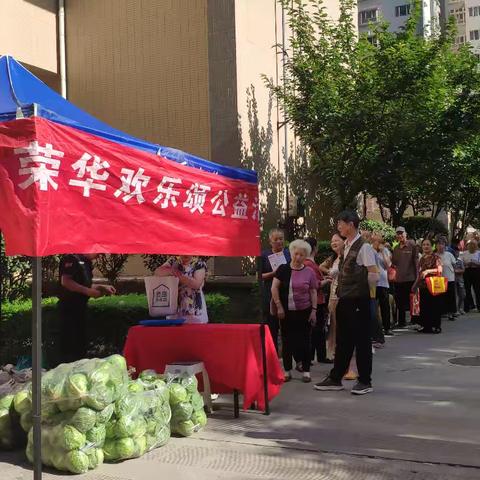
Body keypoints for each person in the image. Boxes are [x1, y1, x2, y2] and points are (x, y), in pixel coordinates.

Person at [315, 211, 379, 395]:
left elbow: (373, 273)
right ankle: (336, 378)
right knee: (343, 341)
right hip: (345, 298)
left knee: (362, 341)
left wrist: (369, 298)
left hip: (359, 300)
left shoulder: (364, 247)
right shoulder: (347, 245)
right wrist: (337, 274)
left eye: (341, 224)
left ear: (351, 224)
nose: (339, 227)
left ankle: (365, 381)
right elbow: (349, 269)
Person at [271, 239, 317, 383]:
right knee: (287, 341)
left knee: (305, 341)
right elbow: (274, 288)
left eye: (301, 255)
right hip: (286, 311)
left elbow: (313, 291)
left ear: (306, 256)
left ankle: (306, 371)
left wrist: (314, 310)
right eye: (296, 254)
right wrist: (279, 306)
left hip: (304, 310)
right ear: (291, 253)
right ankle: (287, 370)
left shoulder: (309, 271)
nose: (298, 257)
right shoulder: (283, 269)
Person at [58, 254, 116, 364]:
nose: (99, 256)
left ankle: (80, 365)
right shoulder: (71, 258)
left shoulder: (87, 263)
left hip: (81, 308)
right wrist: (88, 292)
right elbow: (66, 281)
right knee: (70, 343)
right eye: (98, 252)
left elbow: (85, 283)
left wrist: (102, 287)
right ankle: (68, 367)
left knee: (81, 343)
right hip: (69, 308)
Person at [261, 228, 291, 352]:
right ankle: (273, 352)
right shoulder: (264, 255)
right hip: (270, 293)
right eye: (276, 239)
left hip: (287, 292)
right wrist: (274, 273)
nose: (279, 241)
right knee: (272, 324)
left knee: (288, 325)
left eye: (281, 239)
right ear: (270, 241)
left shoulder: (289, 253)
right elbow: (260, 275)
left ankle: (289, 353)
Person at [155, 256, 208, 323]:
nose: (185, 255)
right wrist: (170, 270)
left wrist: (178, 275)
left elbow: (196, 284)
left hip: (194, 310)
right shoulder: (173, 260)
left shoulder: (199, 264)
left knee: (194, 332)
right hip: (174, 309)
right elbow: (157, 272)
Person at [304, 237, 332, 364]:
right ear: (314, 248)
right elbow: (314, 284)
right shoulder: (309, 264)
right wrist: (325, 281)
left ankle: (317, 356)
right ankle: (315, 356)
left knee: (317, 330)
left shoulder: (308, 263)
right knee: (317, 330)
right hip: (316, 301)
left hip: (314, 300)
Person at [413, 239, 443, 334]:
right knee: (425, 307)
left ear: (432, 246)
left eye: (428, 245)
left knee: (435, 306)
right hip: (423, 286)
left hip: (434, 285)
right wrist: (415, 285)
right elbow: (419, 274)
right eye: (424, 245)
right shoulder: (421, 259)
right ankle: (426, 326)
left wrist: (428, 271)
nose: (426, 246)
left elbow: (439, 270)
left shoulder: (436, 257)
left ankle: (436, 326)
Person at [391, 227, 418, 328]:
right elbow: (394, 263)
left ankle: (415, 321)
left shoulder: (412, 245)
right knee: (400, 302)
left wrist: (417, 277)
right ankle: (401, 322)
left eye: (401, 233)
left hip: (411, 278)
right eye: (398, 234)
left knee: (413, 300)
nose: (400, 235)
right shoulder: (396, 248)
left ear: (406, 234)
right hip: (399, 279)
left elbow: (416, 261)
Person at [372, 233, 393, 336]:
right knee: (373, 307)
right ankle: (374, 329)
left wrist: (382, 252)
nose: (376, 243)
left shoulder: (385, 251)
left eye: (378, 241)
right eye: (374, 241)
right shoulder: (369, 250)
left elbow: (388, 265)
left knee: (385, 306)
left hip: (383, 282)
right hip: (372, 283)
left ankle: (387, 327)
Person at [436, 238, 457, 321]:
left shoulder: (449, 254)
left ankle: (451, 313)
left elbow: (454, 265)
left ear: (445, 245)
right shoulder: (435, 255)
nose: (440, 246)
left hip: (450, 278)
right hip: (440, 279)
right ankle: (442, 312)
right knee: (441, 296)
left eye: (442, 244)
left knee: (451, 296)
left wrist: (454, 272)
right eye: (439, 244)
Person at [460, 240, 480, 313]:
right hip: (467, 271)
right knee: (467, 289)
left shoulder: (478, 253)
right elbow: (460, 263)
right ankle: (467, 306)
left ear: (476, 246)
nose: (472, 246)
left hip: (476, 271)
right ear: (468, 246)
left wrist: (475, 263)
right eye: (470, 245)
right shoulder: (464, 253)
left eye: (474, 245)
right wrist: (466, 264)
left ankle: (478, 306)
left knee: (477, 289)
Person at [453, 248, 466, 315]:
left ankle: (461, 308)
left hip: (460, 280)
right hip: (453, 280)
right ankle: (456, 310)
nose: (456, 254)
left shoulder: (460, 261)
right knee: (455, 296)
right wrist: (456, 271)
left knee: (462, 295)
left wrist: (457, 271)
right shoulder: (452, 261)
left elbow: (463, 270)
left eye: (457, 252)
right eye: (455, 252)